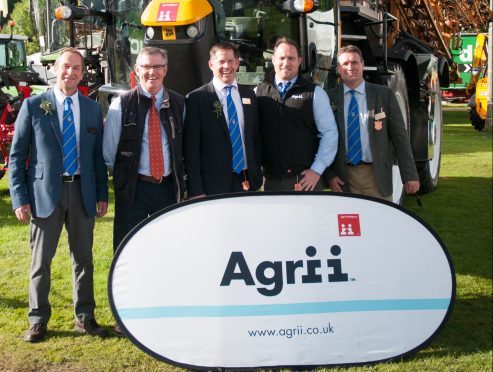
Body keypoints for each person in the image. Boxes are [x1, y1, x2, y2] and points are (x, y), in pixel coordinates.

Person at [9, 48, 109, 342]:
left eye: (76, 68)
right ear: (55, 68)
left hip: (82, 191)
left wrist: (102, 193)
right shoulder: (34, 105)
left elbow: (97, 157)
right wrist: (19, 197)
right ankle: (38, 319)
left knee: (84, 259)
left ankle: (85, 317)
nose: (71, 72)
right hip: (43, 194)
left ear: (82, 72)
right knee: (41, 262)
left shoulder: (92, 109)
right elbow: (17, 156)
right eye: (66, 66)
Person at [103, 47, 185, 336]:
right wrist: (127, 180)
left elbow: (181, 149)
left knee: (166, 251)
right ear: (136, 70)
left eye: (157, 66)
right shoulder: (120, 104)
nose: (152, 72)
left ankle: (165, 308)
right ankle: (125, 315)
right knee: (127, 252)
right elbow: (109, 153)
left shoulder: (178, 103)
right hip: (134, 190)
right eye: (146, 67)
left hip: (167, 190)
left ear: (166, 69)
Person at [324, 45, 420, 201]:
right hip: (344, 178)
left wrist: (410, 175)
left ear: (362, 65)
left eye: (355, 62)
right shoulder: (328, 99)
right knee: (349, 224)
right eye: (345, 64)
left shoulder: (384, 95)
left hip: (377, 176)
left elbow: (400, 137)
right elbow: (321, 140)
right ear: (338, 69)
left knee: (379, 224)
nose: (350, 67)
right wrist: (329, 175)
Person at [256, 37, 338, 191]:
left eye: (291, 58)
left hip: (305, 181)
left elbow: (329, 133)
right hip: (270, 182)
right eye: (281, 58)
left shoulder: (315, 93)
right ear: (273, 59)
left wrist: (317, 170)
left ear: (299, 60)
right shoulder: (258, 93)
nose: (286, 63)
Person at [184, 42, 262, 197]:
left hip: (247, 182)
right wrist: (196, 189)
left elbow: (255, 137)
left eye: (231, 61)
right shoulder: (196, 99)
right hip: (213, 186)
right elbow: (191, 150)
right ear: (211, 64)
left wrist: (256, 172)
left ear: (237, 63)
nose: (227, 66)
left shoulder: (249, 95)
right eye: (221, 61)